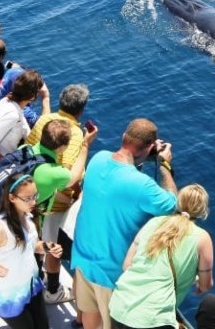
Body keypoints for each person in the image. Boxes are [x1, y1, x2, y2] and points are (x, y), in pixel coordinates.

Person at [72, 118, 178, 329]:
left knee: (90, 317)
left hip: (83, 258)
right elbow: (172, 204)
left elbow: (123, 174)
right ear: (150, 147)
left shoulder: (99, 159)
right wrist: (164, 164)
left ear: (123, 138)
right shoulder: (143, 186)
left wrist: (144, 157)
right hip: (111, 272)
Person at [24, 84, 96, 304]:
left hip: (32, 193)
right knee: (53, 247)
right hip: (54, 202)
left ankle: (34, 279)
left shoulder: (46, 120)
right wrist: (85, 145)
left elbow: (28, 145)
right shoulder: (74, 133)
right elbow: (68, 175)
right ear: (81, 109)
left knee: (35, 240)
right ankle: (52, 291)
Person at [109, 184, 214, 329]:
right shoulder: (202, 238)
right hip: (153, 319)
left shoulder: (154, 222)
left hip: (119, 306)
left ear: (178, 202)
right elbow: (205, 285)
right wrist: (195, 279)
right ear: (203, 211)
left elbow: (127, 265)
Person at [0, 173, 64, 329]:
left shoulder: (28, 217)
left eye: (35, 196)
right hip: (8, 295)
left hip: (31, 286)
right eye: (27, 198)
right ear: (12, 198)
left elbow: (32, 245)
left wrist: (48, 248)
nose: (33, 202)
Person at [0, 69, 49, 164]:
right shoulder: (12, 115)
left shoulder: (8, 100)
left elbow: (24, 128)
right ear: (33, 96)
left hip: (7, 155)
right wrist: (10, 166)